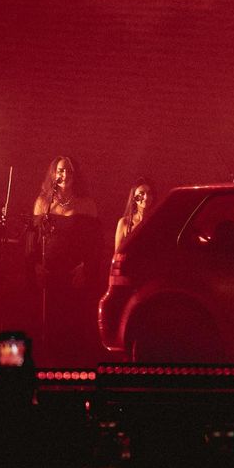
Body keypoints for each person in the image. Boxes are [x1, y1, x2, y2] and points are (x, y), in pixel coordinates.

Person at [28, 156, 102, 364]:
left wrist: (86, 268)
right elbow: (32, 240)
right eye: (60, 171)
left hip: (74, 275)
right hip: (49, 274)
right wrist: (36, 266)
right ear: (53, 174)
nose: (64, 175)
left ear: (75, 175)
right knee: (50, 325)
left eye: (69, 171)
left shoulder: (86, 204)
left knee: (73, 324)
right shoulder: (43, 202)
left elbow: (95, 243)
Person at [113, 178, 154, 253]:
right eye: (141, 194)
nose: (146, 197)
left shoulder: (156, 221)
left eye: (149, 193)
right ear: (134, 197)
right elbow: (117, 254)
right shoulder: (124, 222)